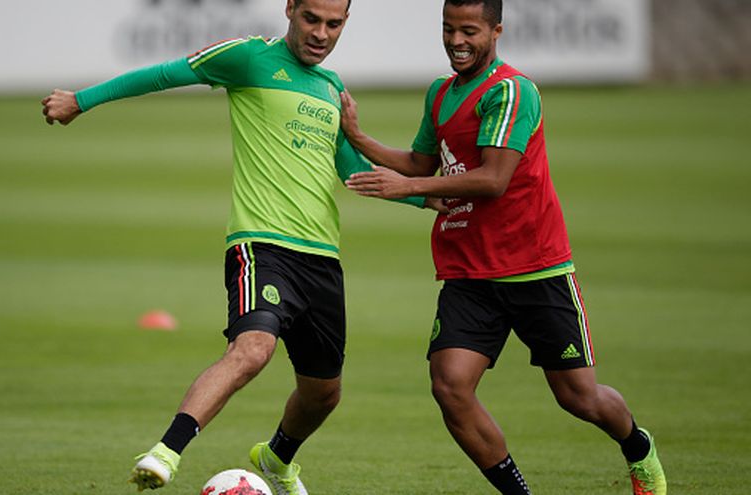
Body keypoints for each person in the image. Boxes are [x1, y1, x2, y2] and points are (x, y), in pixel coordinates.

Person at [41, 0, 436, 493]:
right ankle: (164, 453)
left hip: (322, 258)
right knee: (252, 350)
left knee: (323, 394)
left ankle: (276, 459)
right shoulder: (249, 57)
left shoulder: (332, 87)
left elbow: (352, 170)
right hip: (261, 246)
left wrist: (428, 198)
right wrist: (81, 100)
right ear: (289, 8)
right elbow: (164, 74)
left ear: (345, 23)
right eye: (311, 19)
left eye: (333, 23)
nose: (321, 33)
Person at [338, 1, 667, 494]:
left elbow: (494, 179)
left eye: (469, 31)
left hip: (535, 268)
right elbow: (420, 161)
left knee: (578, 397)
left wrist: (408, 189)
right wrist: (358, 137)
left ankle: (638, 447)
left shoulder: (512, 91)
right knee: (450, 386)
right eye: (448, 29)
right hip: (469, 272)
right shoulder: (440, 92)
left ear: (496, 31)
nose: (456, 41)